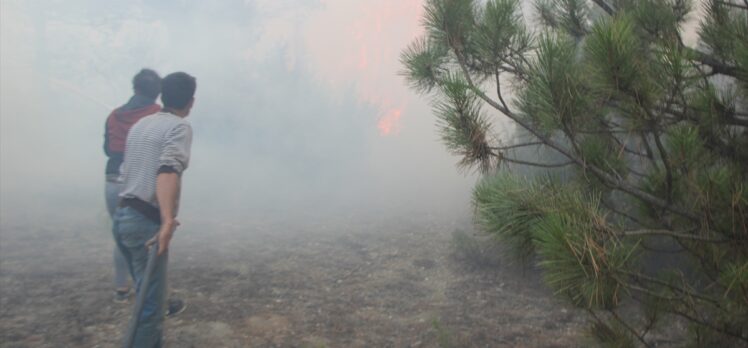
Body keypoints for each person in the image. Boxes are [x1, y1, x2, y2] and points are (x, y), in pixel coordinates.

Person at [112, 72, 196, 347]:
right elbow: (168, 170)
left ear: (162, 95)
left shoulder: (141, 124)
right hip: (144, 222)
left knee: (146, 297)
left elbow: (125, 171)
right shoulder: (179, 127)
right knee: (150, 311)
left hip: (122, 215)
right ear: (191, 102)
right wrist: (167, 220)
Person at [104, 69, 162, 302]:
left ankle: (121, 288)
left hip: (112, 179)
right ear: (157, 93)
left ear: (134, 87)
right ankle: (148, 293)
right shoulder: (158, 115)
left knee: (121, 234)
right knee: (149, 237)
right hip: (140, 181)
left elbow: (108, 149)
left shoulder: (114, 115)